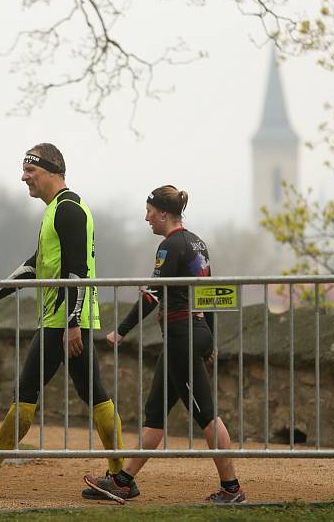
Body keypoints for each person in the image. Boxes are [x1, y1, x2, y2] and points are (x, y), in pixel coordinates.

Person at [0, 143, 125, 497]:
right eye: (24, 170)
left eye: (30, 171)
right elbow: (35, 264)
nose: (24, 176)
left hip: (64, 320)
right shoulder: (56, 210)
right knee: (95, 396)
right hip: (67, 318)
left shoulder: (69, 210)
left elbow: (77, 272)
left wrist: (73, 323)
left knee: (26, 394)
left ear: (52, 172)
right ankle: (121, 477)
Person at [82, 185, 246, 504]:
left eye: (150, 212)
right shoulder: (197, 242)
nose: (147, 218)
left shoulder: (170, 247)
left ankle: (232, 489)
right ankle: (123, 481)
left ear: (164, 214)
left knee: (207, 415)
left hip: (182, 337)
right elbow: (207, 291)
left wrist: (123, 330)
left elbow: (152, 294)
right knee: (155, 412)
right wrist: (209, 338)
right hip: (193, 334)